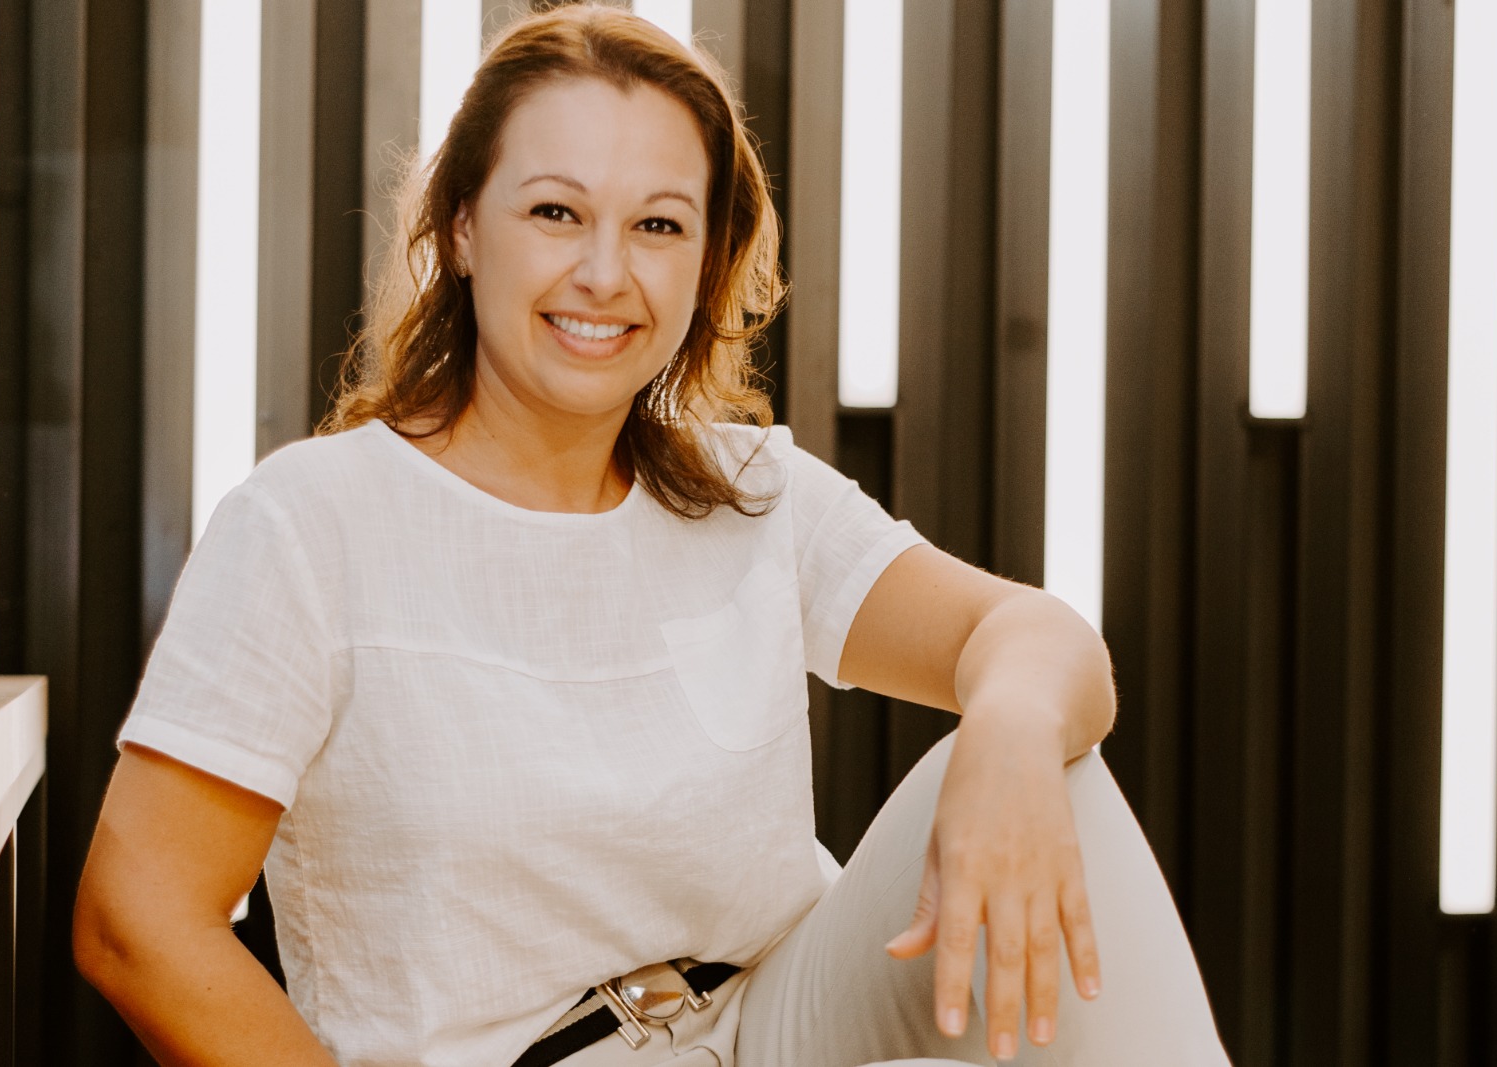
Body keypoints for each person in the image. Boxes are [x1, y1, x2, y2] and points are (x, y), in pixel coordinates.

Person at [73, 5, 1229, 1065]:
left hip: (779, 1016)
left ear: (707, 261)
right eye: (555, 212)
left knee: (1050, 758)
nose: (604, 272)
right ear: (463, 227)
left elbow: (1041, 638)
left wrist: (1010, 733)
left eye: (658, 224)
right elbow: (139, 918)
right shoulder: (309, 523)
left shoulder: (748, 489)